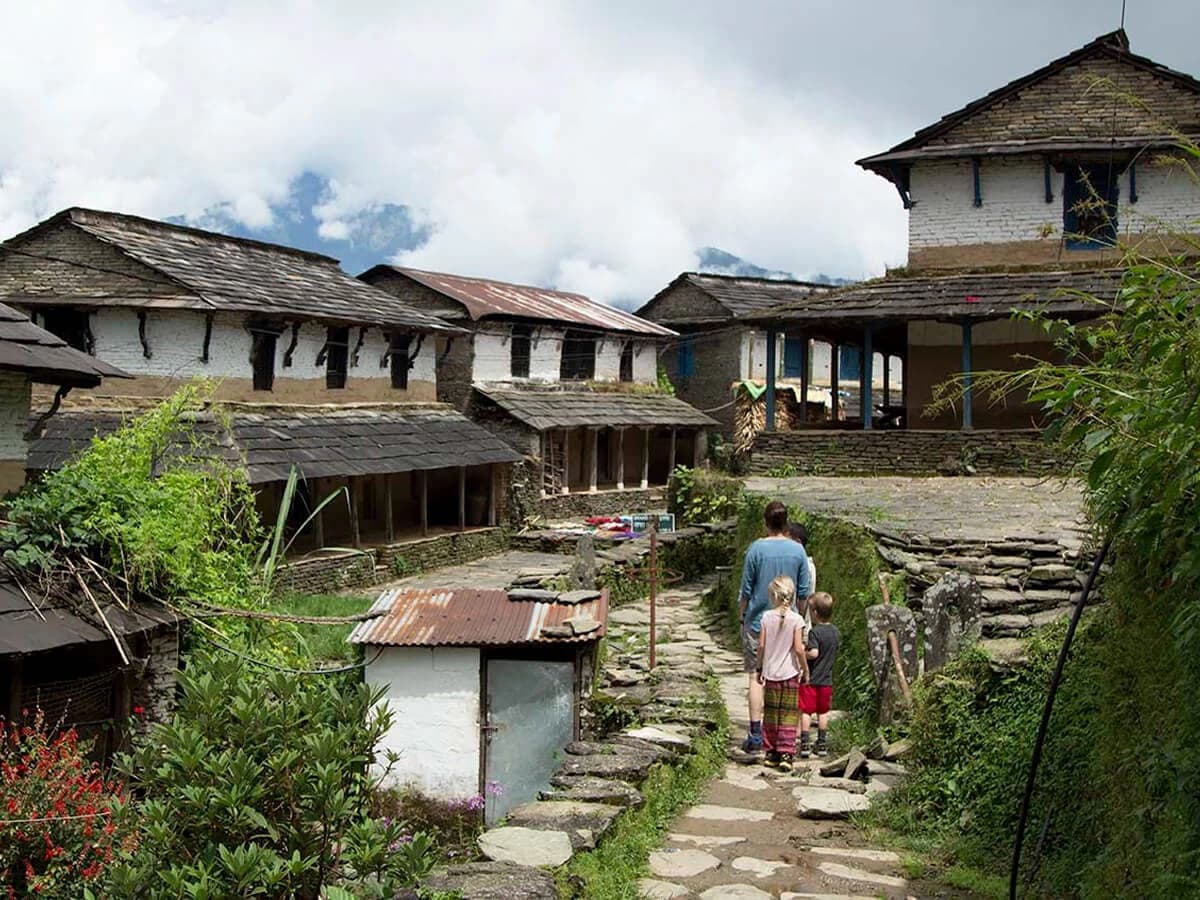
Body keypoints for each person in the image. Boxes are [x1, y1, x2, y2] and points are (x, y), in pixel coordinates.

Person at [738, 500, 812, 754]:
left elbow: (746, 589)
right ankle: (784, 737)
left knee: (756, 677)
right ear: (786, 522)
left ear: (765, 522)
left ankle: (756, 734)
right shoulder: (798, 551)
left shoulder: (756, 550)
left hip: (759, 622)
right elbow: (804, 592)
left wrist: (742, 617)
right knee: (788, 678)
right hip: (789, 623)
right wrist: (798, 621)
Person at [756, 575, 809, 772]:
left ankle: (771, 753)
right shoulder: (797, 619)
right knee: (788, 714)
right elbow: (799, 648)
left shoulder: (766, 617)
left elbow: (761, 645)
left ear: (773, 596)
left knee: (770, 714)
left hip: (770, 674)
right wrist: (805, 668)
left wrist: (759, 666)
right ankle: (786, 752)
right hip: (791, 673)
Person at [800, 592, 840, 759]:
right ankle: (822, 744)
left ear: (815, 613)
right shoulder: (835, 632)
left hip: (811, 679)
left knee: (806, 712)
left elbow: (814, 653)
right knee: (823, 713)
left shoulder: (814, 632)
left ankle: (805, 744)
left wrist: (803, 651)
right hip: (826, 681)